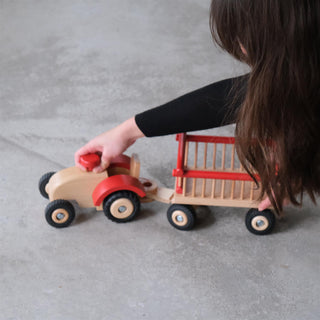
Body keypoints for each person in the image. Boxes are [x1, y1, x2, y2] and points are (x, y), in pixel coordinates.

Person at [75, 0, 320, 215]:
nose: (240, 48)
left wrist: (299, 170)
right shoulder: (304, 71)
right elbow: (231, 98)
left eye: (242, 38)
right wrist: (127, 131)